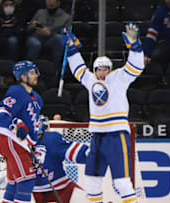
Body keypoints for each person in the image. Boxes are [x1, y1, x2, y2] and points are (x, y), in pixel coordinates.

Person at [61, 22, 144, 203]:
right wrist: (72, 48)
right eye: (99, 69)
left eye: (105, 68)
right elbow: (78, 70)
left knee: (122, 183)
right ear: (95, 70)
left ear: (110, 69)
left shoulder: (119, 78)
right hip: (97, 135)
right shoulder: (91, 80)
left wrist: (135, 47)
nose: (102, 72)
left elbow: (136, 67)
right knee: (91, 181)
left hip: (116, 135)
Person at [0, 60, 43, 202]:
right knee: (26, 181)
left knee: (14, 182)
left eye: (35, 72)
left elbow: (33, 127)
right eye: (31, 73)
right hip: (12, 141)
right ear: (22, 76)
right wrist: (15, 125)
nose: (36, 76)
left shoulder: (37, 99)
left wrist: (36, 145)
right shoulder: (16, 92)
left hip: (23, 144)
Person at [32, 117, 89, 203]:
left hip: (59, 187)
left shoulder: (51, 139)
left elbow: (80, 154)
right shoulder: (52, 137)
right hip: (34, 190)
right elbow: (82, 154)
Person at [26, 0, 71, 70]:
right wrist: (33, 26)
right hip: (36, 37)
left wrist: (50, 34)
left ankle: (54, 70)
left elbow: (66, 35)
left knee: (59, 39)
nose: (50, 8)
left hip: (52, 40)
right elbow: (27, 29)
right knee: (35, 44)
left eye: (52, 6)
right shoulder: (40, 12)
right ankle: (29, 69)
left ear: (58, 4)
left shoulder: (66, 17)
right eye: (48, 6)